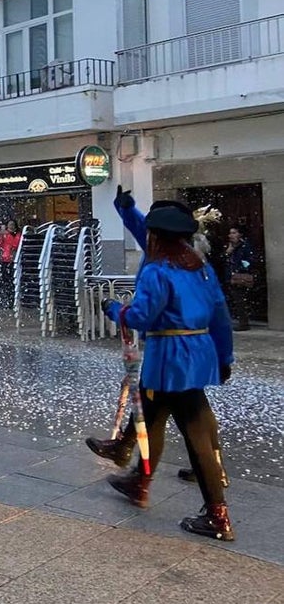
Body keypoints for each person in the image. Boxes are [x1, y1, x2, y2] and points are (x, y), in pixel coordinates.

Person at [101, 202, 236, 542]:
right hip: (199, 353)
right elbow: (220, 313)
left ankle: (217, 515)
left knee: (195, 435)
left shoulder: (157, 270)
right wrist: (224, 356)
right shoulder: (201, 268)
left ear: (158, 237)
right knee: (150, 418)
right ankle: (139, 480)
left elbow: (141, 316)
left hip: (170, 359)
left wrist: (115, 309)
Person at [225, 224, 255, 331]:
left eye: (234, 233)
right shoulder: (230, 247)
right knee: (236, 299)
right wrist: (227, 253)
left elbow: (249, 260)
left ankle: (244, 322)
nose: (231, 235)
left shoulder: (244, 246)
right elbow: (226, 261)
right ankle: (240, 320)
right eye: (230, 233)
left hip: (240, 276)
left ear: (240, 234)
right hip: (231, 276)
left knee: (240, 299)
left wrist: (241, 267)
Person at [0, 220, 21, 307]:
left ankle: (14, 299)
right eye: (9, 225)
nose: (11, 226)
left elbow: (18, 244)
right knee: (7, 280)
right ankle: (9, 299)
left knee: (14, 280)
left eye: (12, 224)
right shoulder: (4, 235)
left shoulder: (18, 235)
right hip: (6, 259)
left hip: (15, 259)